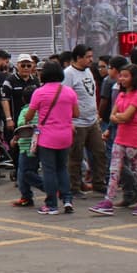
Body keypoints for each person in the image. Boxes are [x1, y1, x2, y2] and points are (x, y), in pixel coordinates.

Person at [89, 64, 137, 216]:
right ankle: (108, 201)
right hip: (120, 137)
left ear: (134, 78)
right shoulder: (121, 95)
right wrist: (118, 118)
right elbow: (113, 116)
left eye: (126, 76)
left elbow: (125, 116)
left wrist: (118, 117)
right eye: (121, 75)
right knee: (114, 170)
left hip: (134, 139)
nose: (122, 79)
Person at [28, 60, 80, 214]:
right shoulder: (69, 92)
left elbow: (29, 116)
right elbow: (76, 113)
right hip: (65, 136)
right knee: (62, 168)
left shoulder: (39, 92)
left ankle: (51, 204)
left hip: (47, 137)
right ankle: (67, 200)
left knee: (49, 171)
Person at [64, 44, 106, 198]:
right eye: (87, 57)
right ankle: (74, 187)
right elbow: (65, 99)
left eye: (91, 56)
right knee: (75, 156)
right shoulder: (68, 74)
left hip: (92, 120)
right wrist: (69, 121)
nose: (91, 59)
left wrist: (96, 114)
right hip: (77, 122)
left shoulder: (88, 70)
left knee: (99, 152)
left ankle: (99, 183)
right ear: (78, 58)